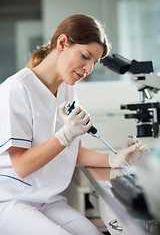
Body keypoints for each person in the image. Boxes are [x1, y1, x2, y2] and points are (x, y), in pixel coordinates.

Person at [0, 14, 145, 235]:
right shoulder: (17, 89)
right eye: (85, 56)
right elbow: (22, 166)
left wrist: (116, 159)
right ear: (62, 43)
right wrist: (65, 135)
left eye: (93, 63)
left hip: (47, 200)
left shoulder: (68, 90)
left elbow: (70, 152)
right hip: (12, 201)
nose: (88, 69)